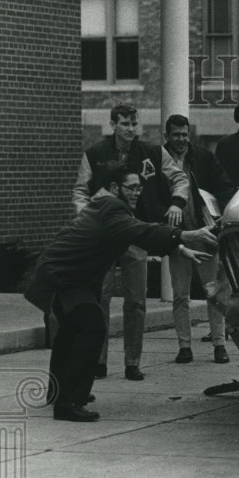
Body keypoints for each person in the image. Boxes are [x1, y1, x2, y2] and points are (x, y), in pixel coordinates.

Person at [26, 167, 216, 421]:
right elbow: (141, 231)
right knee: (91, 327)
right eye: (131, 188)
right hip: (65, 277)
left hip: (63, 274)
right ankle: (68, 402)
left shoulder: (107, 207)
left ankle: (60, 391)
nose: (137, 193)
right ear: (116, 188)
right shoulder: (111, 207)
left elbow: (138, 231)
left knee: (71, 331)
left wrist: (180, 249)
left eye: (139, 188)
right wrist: (186, 234)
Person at [73, 103, 188, 380]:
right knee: (100, 298)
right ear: (113, 125)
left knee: (136, 301)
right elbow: (80, 191)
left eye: (134, 124)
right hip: (103, 236)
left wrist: (176, 204)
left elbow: (179, 178)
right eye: (125, 124)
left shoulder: (151, 152)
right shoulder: (95, 154)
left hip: (136, 233)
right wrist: (86, 219)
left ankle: (132, 362)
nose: (131, 129)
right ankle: (98, 360)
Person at [162, 114, 238, 364]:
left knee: (214, 292)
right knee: (180, 294)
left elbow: (223, 185)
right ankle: (184, 346)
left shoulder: (203, 157)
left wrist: (223, 215)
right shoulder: (158, 160)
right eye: (176, 135)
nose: (181, 139)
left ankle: (219, 344)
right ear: (167, 136)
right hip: (179, 238)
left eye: (185, 134)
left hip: (205, 234)